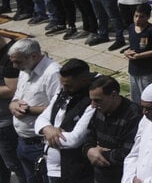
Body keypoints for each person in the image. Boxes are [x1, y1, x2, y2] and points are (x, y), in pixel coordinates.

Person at [34, 58, 95, 183]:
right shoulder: (63, 93)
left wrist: (46, 137)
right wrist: (48, 129)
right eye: (63, 84)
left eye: (68, 85)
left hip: (75, 171)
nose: (64, 88)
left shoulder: (92, 102)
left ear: (83, 80)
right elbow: (41, 119)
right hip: (51, 168)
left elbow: (74, 140)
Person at [8, 38, 61, 183]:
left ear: (33, 56)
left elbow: (59, 108)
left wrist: (29, 110)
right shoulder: (26, 68)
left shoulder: (53, 73)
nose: (14, 66)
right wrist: (13, 104)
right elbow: (18, 95)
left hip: (40, 144)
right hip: (23, 141)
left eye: (18, 62)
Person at [82, 75, 141, 183]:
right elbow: (89, 135)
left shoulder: (133, 115)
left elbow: (129, 152)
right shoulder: (99, 109)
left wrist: (100, 154)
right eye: (92, 100)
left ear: (113, 95)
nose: (93, 105)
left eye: (97, 100)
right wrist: (89, 150)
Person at [125, 3, 152, 103]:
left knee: (148, 95)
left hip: (147, 69)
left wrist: (140, 56)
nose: (137, 19)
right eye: (136, 16)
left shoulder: (151, 30)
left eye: (141, 17)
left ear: (148, 17)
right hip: (133, 68)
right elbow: (132, 45)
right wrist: (127, 52)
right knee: (135, 95)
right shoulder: (131, 28)